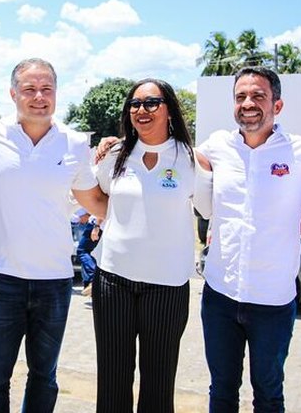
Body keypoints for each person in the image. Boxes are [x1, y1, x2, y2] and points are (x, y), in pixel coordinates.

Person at [0, 58, 108, 412]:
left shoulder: (74, 143)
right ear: (13, 94)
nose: (39, 97)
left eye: (47, 89)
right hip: (1, 279)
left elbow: (96, 201)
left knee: (44, 377)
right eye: (29, 89)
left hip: (54, 282)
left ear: (57, 94)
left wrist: (127, 153)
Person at [196, 66, 301, 413]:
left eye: (258, 96)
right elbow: (170, 153)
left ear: (277, 105)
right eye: (241, 97)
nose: (248, 103)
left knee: (269, 394)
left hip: (273, 301)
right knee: (221, 391)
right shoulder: (215, 146)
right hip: (220, 295)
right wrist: (113, 144)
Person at [92, 79, 213, 413]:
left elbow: (210, 209)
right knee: (113, 380)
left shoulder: (190, 159)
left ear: (169, 109)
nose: (141, 110)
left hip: (167, 286)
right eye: (134, 104)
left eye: (151, 103)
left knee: (158, 385)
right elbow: (98, 196)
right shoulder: (115, 154)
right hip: (112, 280)